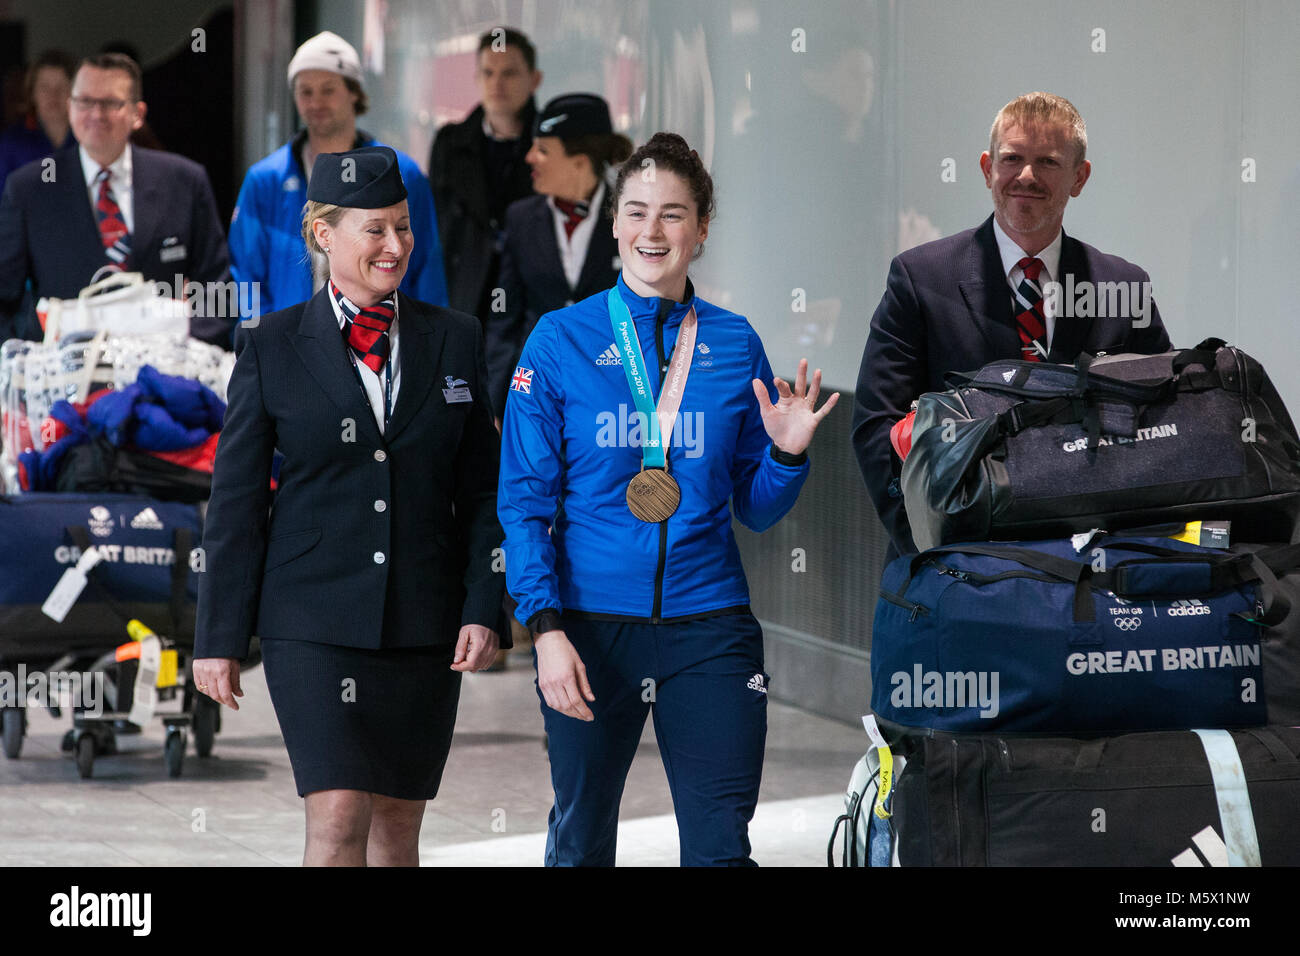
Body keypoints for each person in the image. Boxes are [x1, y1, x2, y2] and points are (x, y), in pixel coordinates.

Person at [497, 132, 838, 866]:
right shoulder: (559, 341)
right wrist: (545, 628)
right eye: (638, 212)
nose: (653, 232)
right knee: (581, 842)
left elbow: (755, 507)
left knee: (720, 849)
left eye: (674, 214)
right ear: (615, 222)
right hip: (589, 628)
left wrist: (786, 453)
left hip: (708, 627)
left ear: (702, 230)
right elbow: (524, 505)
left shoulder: (735, 343)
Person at [192, 146, 505, 867]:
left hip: (423, 624)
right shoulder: (270, 346)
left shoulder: (454, 338)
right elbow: (235, 504)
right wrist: (218, 635)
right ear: (323, 234)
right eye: (375, 230)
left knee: (398, 830)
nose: (395, 246)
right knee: (336, 822)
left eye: (403, 227)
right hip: (311, 621)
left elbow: (485, 490)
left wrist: (485, 605)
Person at [850, 91, 1173, 556]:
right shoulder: (921, 279)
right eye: (1012, 158)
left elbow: (1164, 420)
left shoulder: (1123, 286)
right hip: (953, 564)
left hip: (1087, 570)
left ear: (1079, 177)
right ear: (987, 169)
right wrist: (930, 542)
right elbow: (877, 427)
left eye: (1047, 162)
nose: (1026, 175)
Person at [0, 53, 231, 345]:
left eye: (110, 103)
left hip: (165, 375)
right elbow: (4, 300)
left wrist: (184, 347)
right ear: (71, 108)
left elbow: (219, 290)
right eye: (85, 101)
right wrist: (29, 356)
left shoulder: (185, 181)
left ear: (138, 114)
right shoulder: (28, 189)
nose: (96, 114)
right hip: (64, 375)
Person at [228, 31, 447, 323]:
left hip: (383, 346)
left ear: (354, 91)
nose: (315, 102)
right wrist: (263, 344)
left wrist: (426, 346)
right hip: (290, 346)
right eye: (305, 91)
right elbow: (245, 276)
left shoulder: (402, 174)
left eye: (328, 89)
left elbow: (426, 269)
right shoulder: (265, 180)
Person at [484, 93, 631, 419]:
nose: (530, 157)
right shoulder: (521, 219)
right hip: (537, 391)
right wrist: (495, 405)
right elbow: (504, 320)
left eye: (543, 150)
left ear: (579, 162)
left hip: (612, 398)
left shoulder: (630, 219)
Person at [429, 27, 541, 320]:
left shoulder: (550, 148)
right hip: (462, 298)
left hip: (528, 304)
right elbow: (434, 223)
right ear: (477, 79)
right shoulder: (450, 143)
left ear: (535, 79)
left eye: (510, 73)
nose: (497, 83)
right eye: (488, 73)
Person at [0, 50, 76, 195]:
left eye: (62, 87)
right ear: (32, 92)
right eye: (44, 88)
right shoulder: (11, 142)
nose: (53, 95)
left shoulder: (89, 139)